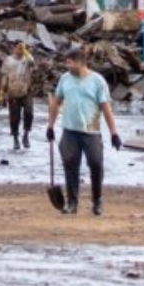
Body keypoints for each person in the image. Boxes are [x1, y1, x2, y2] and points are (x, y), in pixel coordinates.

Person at [46, 46, 123, 216]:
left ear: (81, 63)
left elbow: (106, 108)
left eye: (70, 63)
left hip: (91, 131)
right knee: (70, 165)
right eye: (66, 63)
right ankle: (72, 202)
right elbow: (56, 103)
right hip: (69, 131)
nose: (67, 66)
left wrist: (114, 133)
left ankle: (97, 201)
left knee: (96, 164)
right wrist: (50, 126)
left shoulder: (97, 81)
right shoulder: (65, 79)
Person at [0, 40, 36, 150]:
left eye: (22, 47)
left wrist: (25, 51)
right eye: (18, 47)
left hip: (26, 90)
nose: (20, 49)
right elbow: (5, 76)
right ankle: (15, 137)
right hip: (13, 91)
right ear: (14, 48)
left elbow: (33, 63)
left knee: (29, 113)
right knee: (15, 117)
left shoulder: (27, 59)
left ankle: (26, 134)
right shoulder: (8, 60)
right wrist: (2, 93)